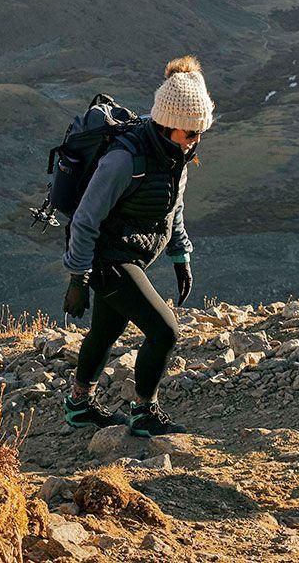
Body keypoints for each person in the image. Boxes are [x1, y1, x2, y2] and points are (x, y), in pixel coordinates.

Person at [62, 56, 213, 438]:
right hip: (108, 258)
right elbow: (84, 218)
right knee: (165, 332)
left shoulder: (174, 154)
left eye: (199, 133)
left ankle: (80, 406)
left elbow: (171, 208)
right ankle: (144, 411)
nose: (195, 141)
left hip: (132, 255)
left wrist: (181, 256)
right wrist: (77, 277)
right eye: (190, 133)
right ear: (167, 123)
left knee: (105, 331)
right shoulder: (124, 159)